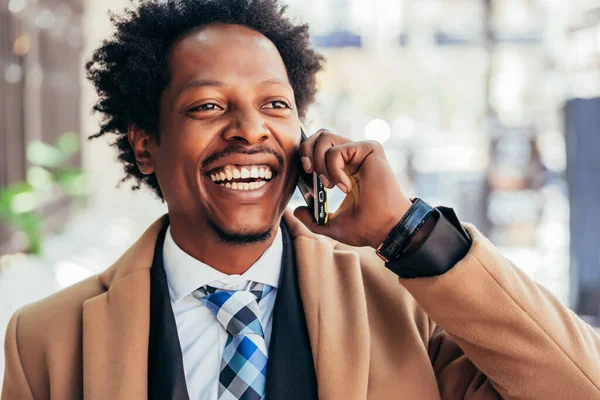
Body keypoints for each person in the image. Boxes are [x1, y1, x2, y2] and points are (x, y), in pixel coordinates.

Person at [3, 0, 600, 399]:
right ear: (145, 147)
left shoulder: (407, 306)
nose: (250, 130)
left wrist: (409, 232)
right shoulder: (45, 342)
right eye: (209, 105)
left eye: (276, 105)